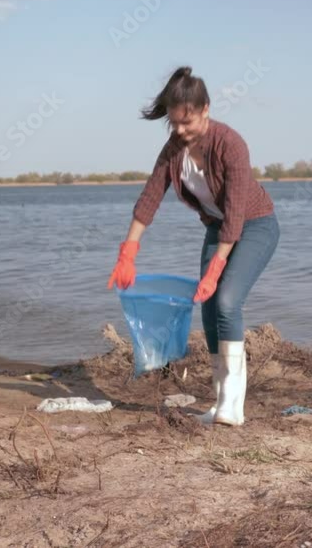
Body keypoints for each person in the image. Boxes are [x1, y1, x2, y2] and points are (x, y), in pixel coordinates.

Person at [107, 66, 279, 427]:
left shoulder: (230, 144)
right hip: (219, 229)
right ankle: (219, 402)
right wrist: (128, 252)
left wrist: (216, 269)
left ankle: (234, 403)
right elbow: (149, 198)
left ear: (206, 110)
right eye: (174, 124)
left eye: (187, 122)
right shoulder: (173, 151)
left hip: (255, 225)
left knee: (227, 301)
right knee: (208, 308)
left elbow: (235, 214)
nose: (180, 131)